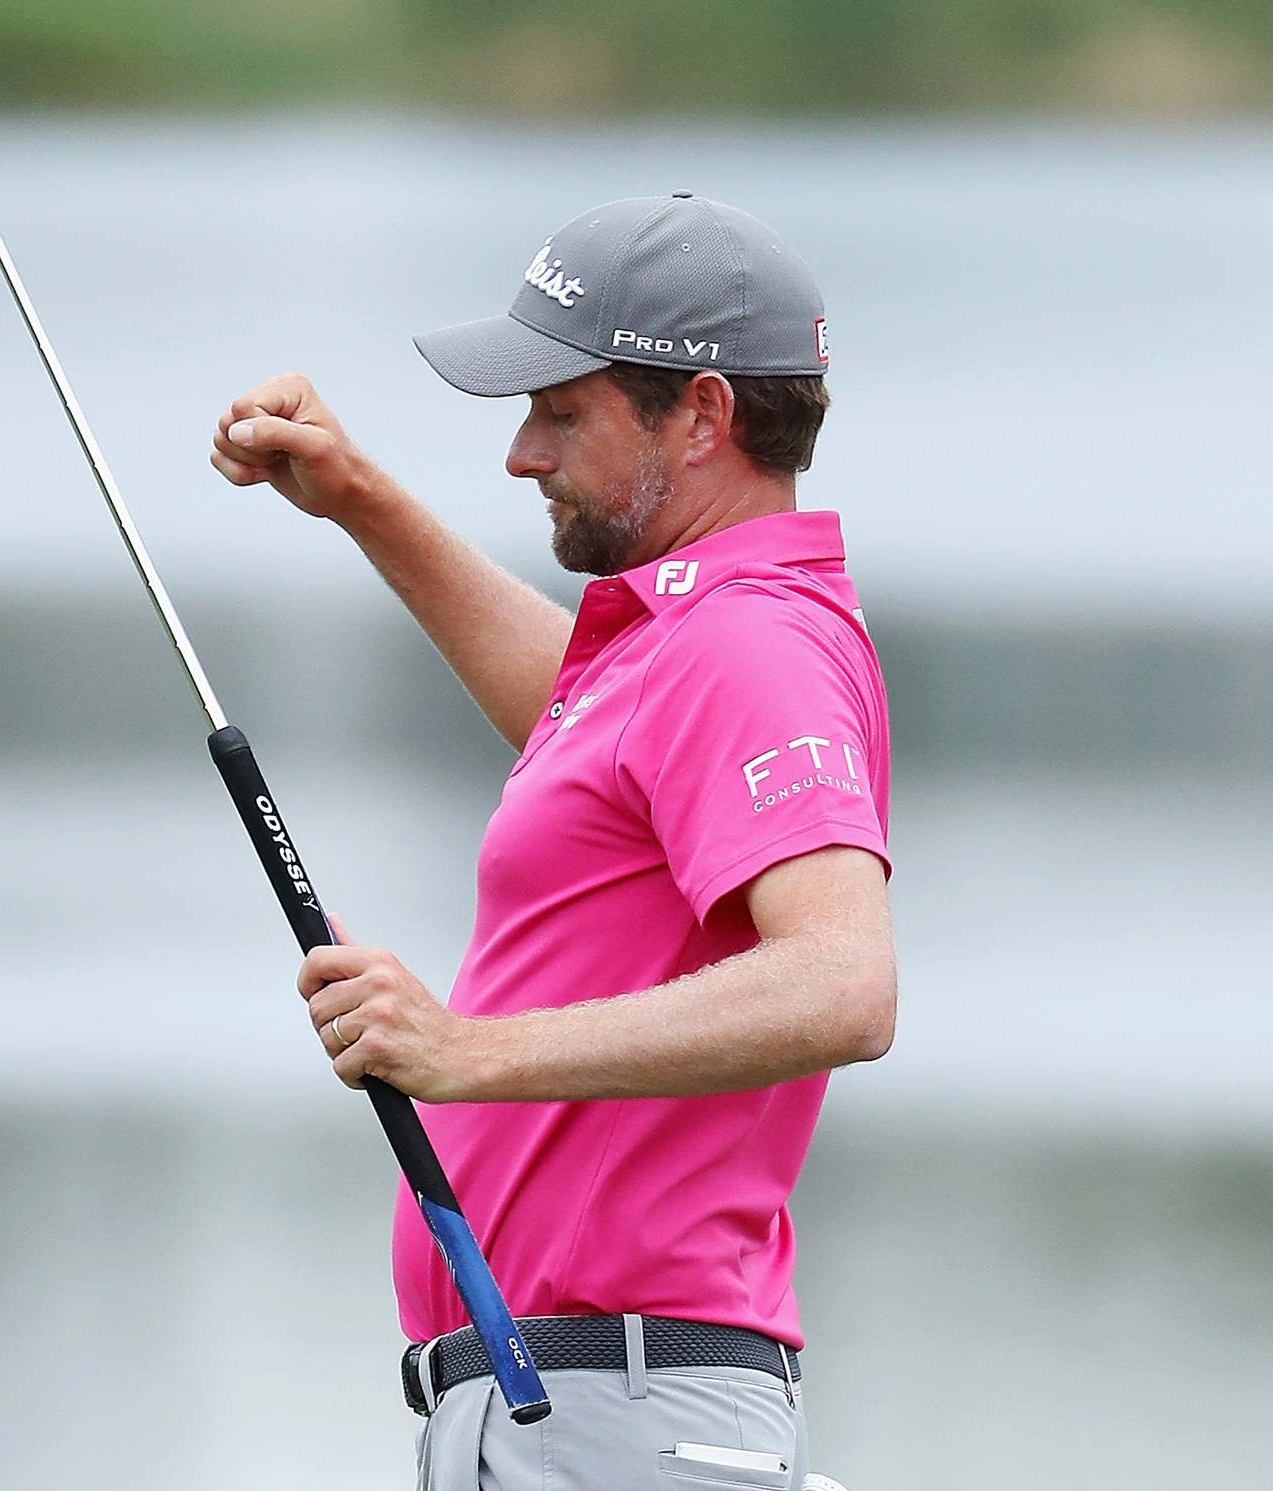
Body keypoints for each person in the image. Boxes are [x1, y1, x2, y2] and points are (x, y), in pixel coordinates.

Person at [209, 192, 896, 1491]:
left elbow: (846, 984)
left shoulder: (747, 646)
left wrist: (465, 1052)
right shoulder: (687, 641)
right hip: (581, 1413)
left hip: (622, 1420)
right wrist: (363, 501)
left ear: (701, 417)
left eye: (561, 413)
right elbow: (589, 729)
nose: (522, 453)